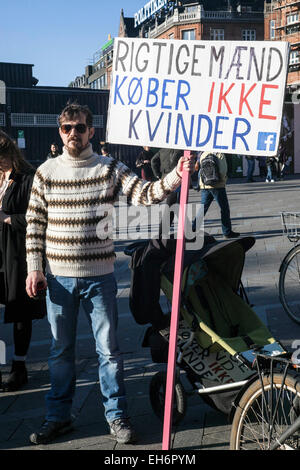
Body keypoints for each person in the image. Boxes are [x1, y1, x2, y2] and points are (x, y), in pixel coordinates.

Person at [25, 103, 193, 446]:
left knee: (109, 351)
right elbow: (34, 224)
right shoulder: (45, 172)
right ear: (60, 131)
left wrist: (176, 174)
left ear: (92, 131)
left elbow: (145, 195)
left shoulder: (108, 168)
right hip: (57, 278)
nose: (74, 133)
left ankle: (116, 417)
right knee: (60, 352)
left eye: (81, 127)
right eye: (68, 127)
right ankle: (57, 417)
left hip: (99, 276)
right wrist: (34, 268)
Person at [0, 131, 46, 392]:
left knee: (19, 310)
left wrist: (7, 218)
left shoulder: (28, 178)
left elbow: (38, 217)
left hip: (17, 250)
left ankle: (19, 366)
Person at [192, 151, 240, 239]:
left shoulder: (204, 153)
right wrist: (224, 180)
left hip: (205, 185)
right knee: (224, 209)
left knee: (203, 208)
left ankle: (193, 228)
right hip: (217, 185)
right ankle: (227, 232)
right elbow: (223, 170)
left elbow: (200, 170)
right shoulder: (219, 154)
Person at [151, 148, 183, 237]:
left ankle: (163, 233)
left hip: (165, 178)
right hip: (176, 179)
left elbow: (153, 160)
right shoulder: (179, 150)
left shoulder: (162, 150)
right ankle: (162, 233)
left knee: (172, 206)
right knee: (173, 207)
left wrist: (157, 174)